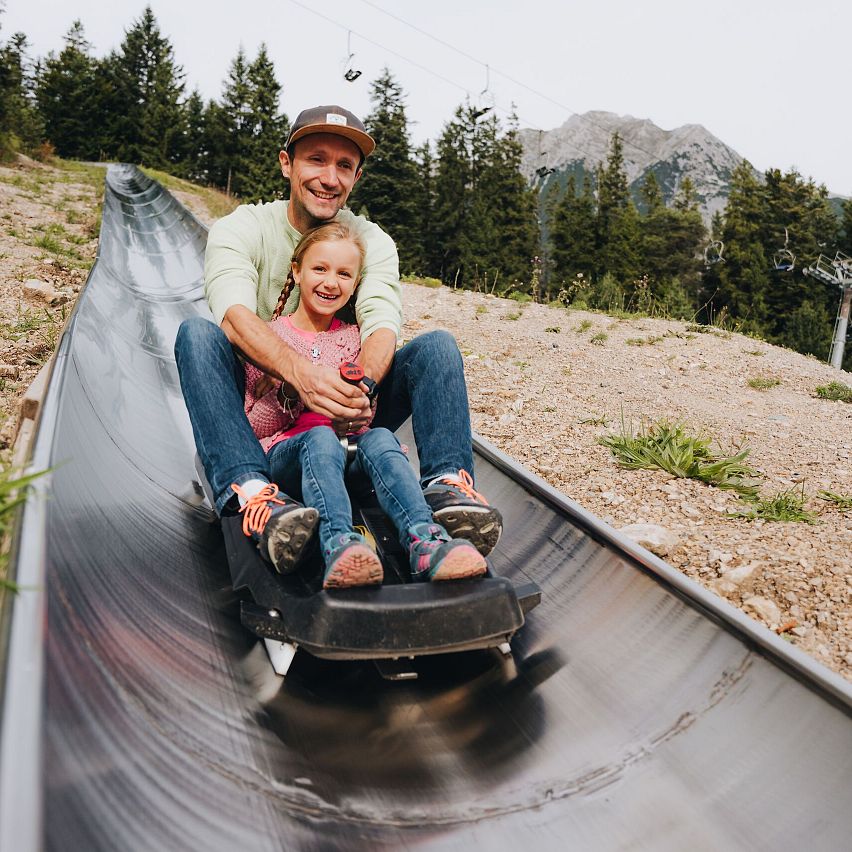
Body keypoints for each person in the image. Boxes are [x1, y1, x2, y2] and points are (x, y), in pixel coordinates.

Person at [174, 104, 502, 574]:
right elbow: (234, 315)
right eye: (316, 160)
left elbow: (382, 324)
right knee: (197, 336)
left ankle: (447, 487)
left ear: (356, 177)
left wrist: (358, 391)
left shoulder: (370, 241)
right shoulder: (243, 229)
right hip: (264, 414)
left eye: (344, 166)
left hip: (349, 418)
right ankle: (252, 492)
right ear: (287, 164)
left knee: (436, 348)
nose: (329, 178)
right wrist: (300, 377)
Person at [242, 220, 487, 588]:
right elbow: (253, 425)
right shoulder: (270, 339)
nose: (330, 282)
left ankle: (426, 539)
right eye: (320, 269)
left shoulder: (353, 339)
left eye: (344, 274)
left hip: (347, 453)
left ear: (355, 283)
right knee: (319, 439)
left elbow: (366, 416)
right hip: (288, 457)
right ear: (297, 270)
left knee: (382, 437)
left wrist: (355, 412)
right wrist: (288, 393)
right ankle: (338, 543)